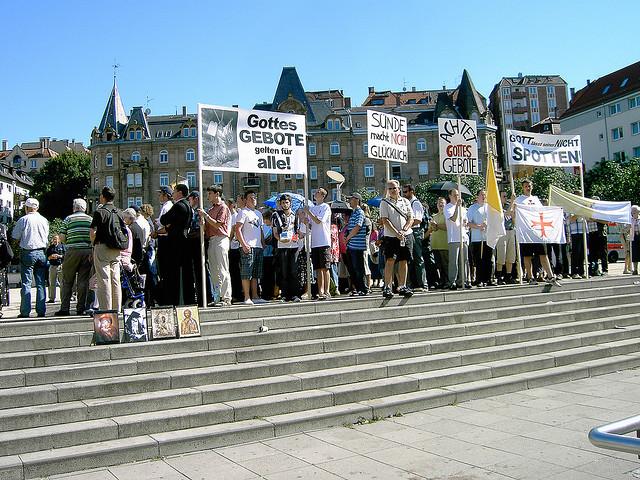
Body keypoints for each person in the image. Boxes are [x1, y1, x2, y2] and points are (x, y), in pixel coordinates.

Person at [511, 179, 561, 286]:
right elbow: (512, 214)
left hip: (537, 231)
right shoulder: (518, 200)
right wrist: (512, 203)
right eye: (526, 186)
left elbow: (542, 212)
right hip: (525, 232)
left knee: (543, 254)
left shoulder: (536, 199)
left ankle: (550, 276)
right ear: (522, 188)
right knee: (527, 256)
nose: (528, 188)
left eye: (529, 186)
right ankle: (530, 277)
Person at [12, 197, 49, 318]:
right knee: (40, 283)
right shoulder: (44, 220)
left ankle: (25, 311)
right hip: (42, 252)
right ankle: (41, 310)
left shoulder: (23, 219)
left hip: (28, 252)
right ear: (37, 207)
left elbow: (15, 237)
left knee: (26, 283)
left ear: (26, 208)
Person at [90, 186, 124, 312]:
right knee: (115, 278)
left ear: (103, 197)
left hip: (102, 246)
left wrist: (94, 244)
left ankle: (106, 309)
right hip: (116, 248)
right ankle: (117, 308)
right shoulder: (119, 211)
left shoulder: (100, 212)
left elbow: (92, 232)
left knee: (104, 278)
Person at [56, 198, 93, 316]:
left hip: (72, 251)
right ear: (85, 208)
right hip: (87, 251)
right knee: (83, 281)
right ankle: (81, 308)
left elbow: (61, 236)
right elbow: (93, 235)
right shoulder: (90, 219)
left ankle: (65, 308)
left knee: (67, 280)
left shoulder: (68, 219)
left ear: (74, 208)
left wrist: (68, 243)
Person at [160, 183, 194, 306]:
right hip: (184, 241)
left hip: (175, 242)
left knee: (173, 273)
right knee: (184, 273)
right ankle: (185, 299)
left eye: (174, 191)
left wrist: (169, 224)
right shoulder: (188, 206)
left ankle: (174, 300)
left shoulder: (179, 206)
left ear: (179, 192)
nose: (172, 193)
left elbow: (164, 219)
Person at [379, 180, 414, 299]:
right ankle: (388, 286)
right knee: (390, 260)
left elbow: (411, 218)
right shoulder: (385, 202)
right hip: (391, 236)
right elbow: (385, 220)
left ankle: (402, 285)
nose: (392, 190)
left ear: (398, 188)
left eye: (394, 188)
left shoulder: (405, 201)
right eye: (390, 189)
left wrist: (404, 230)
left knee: (404, 260)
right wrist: (396, 233)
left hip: (406, 234)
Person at [199, 185, 231, 307]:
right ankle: (217, 296)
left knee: (223, 269)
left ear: (217, 194)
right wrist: (203, 222)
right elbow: (207, 227)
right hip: (212, 240)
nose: (208, 197)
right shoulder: (211, 209)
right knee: (213, 270)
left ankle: (226, 297)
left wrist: (206, 217)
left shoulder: (223, 207)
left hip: (221, 239)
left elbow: (218, 225)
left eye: (210, 194)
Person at [235, 190, 265, 305]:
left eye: (255, 197)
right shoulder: (243, 212)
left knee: (256, 273)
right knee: (246, 272)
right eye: (251, 197)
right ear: (246, 200)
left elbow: (260, 230)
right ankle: (247, 297)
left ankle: (255, 296)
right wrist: (243, 244)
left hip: (258, 246)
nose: (254, 199)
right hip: (247, 246)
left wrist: (262, 243)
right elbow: (237, 229)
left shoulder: (258, 213)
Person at [273, 194, 301, 302]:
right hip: (282, 246)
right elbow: (275, 232)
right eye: (283, 202)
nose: (285, 204)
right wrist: (281, 239)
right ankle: (284, 294)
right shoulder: (276, 215)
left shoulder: (295, 215)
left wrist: (294, 238)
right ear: (280, 204)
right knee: (283, 271)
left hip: (293, 246)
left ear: (290, 203)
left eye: (287, 202)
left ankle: (295, 294)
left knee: (294, 270)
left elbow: (297, 231)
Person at [187, 190, 213, 307]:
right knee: (197, 272)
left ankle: (206, 297)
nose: (189, 202)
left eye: (190, 199)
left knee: (201, 270)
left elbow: (199, 230)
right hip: (194, 244)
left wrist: (188, 235)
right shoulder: (193, 211)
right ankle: (203, 296)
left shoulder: (199, 212)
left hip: (198, 243)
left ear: (195, 198)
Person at [305, 188, 331, 300]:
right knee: (318, 268)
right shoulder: (313, 208)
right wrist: (306, 221)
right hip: (315, 241)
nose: (315, 193)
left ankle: (326, 290)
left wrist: (309, 213)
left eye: (318, 192)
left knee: (325, 267)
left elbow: (319, 221)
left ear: (323, 195)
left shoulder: (325, 207)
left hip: (323, 240)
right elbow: (311, 224)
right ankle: (320, 291)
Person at [467, 190, 494, 287]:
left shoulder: (489, 207)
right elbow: (468, 223)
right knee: (478, 260)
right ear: (477, 196)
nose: (484, 196)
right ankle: (479, 279)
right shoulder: (472, 208)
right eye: (482, 194)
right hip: (477, 238)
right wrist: (479, 227)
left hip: (488, 237)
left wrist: (488, 224)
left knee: (488, 259)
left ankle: (489, 279)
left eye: (485, 195)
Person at [402, 184, 426, 291]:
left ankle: (422, 283)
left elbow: (418, 220)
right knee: (410, 258)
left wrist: (406, 226)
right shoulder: (407, 203)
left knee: (418, 257)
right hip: (410, 231)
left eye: (406, 192)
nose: (404, 194)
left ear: (411, 192)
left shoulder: (415, 203)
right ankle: (414, 283)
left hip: (415, 231)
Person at [444, 189, 470, 290]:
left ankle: (463, 280)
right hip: (453, 238)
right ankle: (452, 281)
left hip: (463, 237)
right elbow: (453, 219)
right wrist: (457, 207)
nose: (456, 197)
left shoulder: (463, 209)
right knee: (453, 261)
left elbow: (465, 223)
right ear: (450, 196)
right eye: (454, 195)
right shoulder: (448, 207)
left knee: (464, 261)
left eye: (458, 195)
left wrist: (465, 223)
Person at [344, 193, 368, 296]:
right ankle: (358, 288)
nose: (349, 201)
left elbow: (358, 226)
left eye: (351, 199)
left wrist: (348, 237)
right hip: (351, 245)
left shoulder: (360, 212)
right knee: (352, 269)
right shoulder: (354, 213)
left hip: (357, 246)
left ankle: (362, 288)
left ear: (357, 200)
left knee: (358, 269)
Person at [495, 191, 516, 284]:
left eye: (506, 196)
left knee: (510, 256)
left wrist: (514, 211)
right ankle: (499, 277)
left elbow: (513, 218)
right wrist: (512, 202)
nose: (505, 197)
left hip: (511, 230)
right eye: (504, 196)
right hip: (501, 232)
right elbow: (505, 215)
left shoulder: (509, 205)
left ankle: (508, 275)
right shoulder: (496, 207)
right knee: (501, 255)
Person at [428, 197, 448, 288]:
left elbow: (447, 227)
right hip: (435, 244)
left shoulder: (447, 215)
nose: (440, 205)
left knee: (445, 264)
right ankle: (441, 281)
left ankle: (447, 281)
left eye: (442, 203)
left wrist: (437, 225)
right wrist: (434, 226)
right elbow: (432, 229)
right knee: (439, 265)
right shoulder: (434, 216)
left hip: (444, 244)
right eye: (439, 203)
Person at [46, 234, 65, 303]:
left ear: (59, 240)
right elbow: (47, 257)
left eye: (56, 239)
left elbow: (66, 256)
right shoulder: (50, 248)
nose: (55, 240)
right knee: (52, 282)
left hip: (60, 265)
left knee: (62, 283)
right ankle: (51, 298)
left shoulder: (62, 246)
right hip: (52, 266)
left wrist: (59, 256)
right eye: (54, 239)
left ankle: (63, 297)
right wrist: (51, 256)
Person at [631, 205, 639, 275]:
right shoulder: (630, 220)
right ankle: (635, 270)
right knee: (634, 254)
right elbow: (627, 228)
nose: (633, 213)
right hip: (634, 237)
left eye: (634, 212)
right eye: (632, 212)